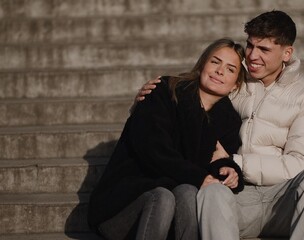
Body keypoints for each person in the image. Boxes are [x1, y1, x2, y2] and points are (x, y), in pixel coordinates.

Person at [137, 10, 304, 240]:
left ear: (287, 53)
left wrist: (238, 162)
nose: (252, 56)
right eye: (250, 45)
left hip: (282, 202)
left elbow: (302, 164)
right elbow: (191, 93)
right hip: (234, 200)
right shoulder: (233, 80)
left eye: (264, 49)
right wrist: (152, 96)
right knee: (211, 190)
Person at [87, 38, 247, 240]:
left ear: (236, 85)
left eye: (230, 69)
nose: (220, 71)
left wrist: (229, 171)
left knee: (188, 192)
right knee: (162, 196)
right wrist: (199, 177)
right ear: (203, 64)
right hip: (123, 207)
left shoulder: (228, 120)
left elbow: (219, 159)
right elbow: (153, 151)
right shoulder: (165, 90)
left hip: (175, 213)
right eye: (215, 62)